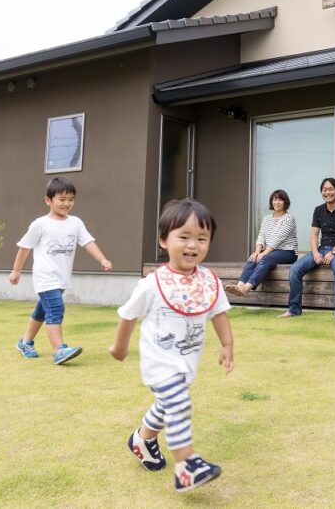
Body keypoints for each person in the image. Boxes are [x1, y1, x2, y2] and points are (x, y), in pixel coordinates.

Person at [109, 198, 234, 493]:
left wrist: (227, 344)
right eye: (184, 236)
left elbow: (219, 312)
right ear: (164, 240)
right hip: (160, 362)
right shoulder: (153, 283)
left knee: (168, 405)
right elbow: (128, 315)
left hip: (186, 362)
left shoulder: (207, 280)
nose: (193, 245)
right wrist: (120, 347)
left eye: (202, 239)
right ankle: (186, 467)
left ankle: (142, 438)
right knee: (178, 403)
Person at [9, 176, 112, 365]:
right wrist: (16, 271)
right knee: (55, 309)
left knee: (42, 311)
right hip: (45, 277)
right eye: (62, 199)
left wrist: (102, 259)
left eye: (71, 199)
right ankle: (59, 350)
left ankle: (25, 342)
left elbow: (88, 242)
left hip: (62, 278)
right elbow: (24, 248)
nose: (67, 204)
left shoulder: (76, 223)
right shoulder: (40, 224)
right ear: (48, 200)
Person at [280, 177, 335, 321]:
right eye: (324, 190)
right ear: (321, 192)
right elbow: (314, 235)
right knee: (295, 269)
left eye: (331, 189)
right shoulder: (318, 210)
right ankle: (294, 309)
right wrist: (315, 252)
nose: (328, 192)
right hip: (321, 249)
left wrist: (333, 253)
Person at [225, 189, 297, 297]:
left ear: (285, 202)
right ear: (271, 202)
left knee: (264, 258)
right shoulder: (267, 219)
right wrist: (257, 252)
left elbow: (278, 239)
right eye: (274, 199)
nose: (277, 202)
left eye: (280, 200)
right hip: (271, 251)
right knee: (253, 258)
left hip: (287, 252)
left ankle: (246, 288)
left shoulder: (289, 219)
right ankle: (239, 285)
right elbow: (261, 236)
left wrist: (263, 254)